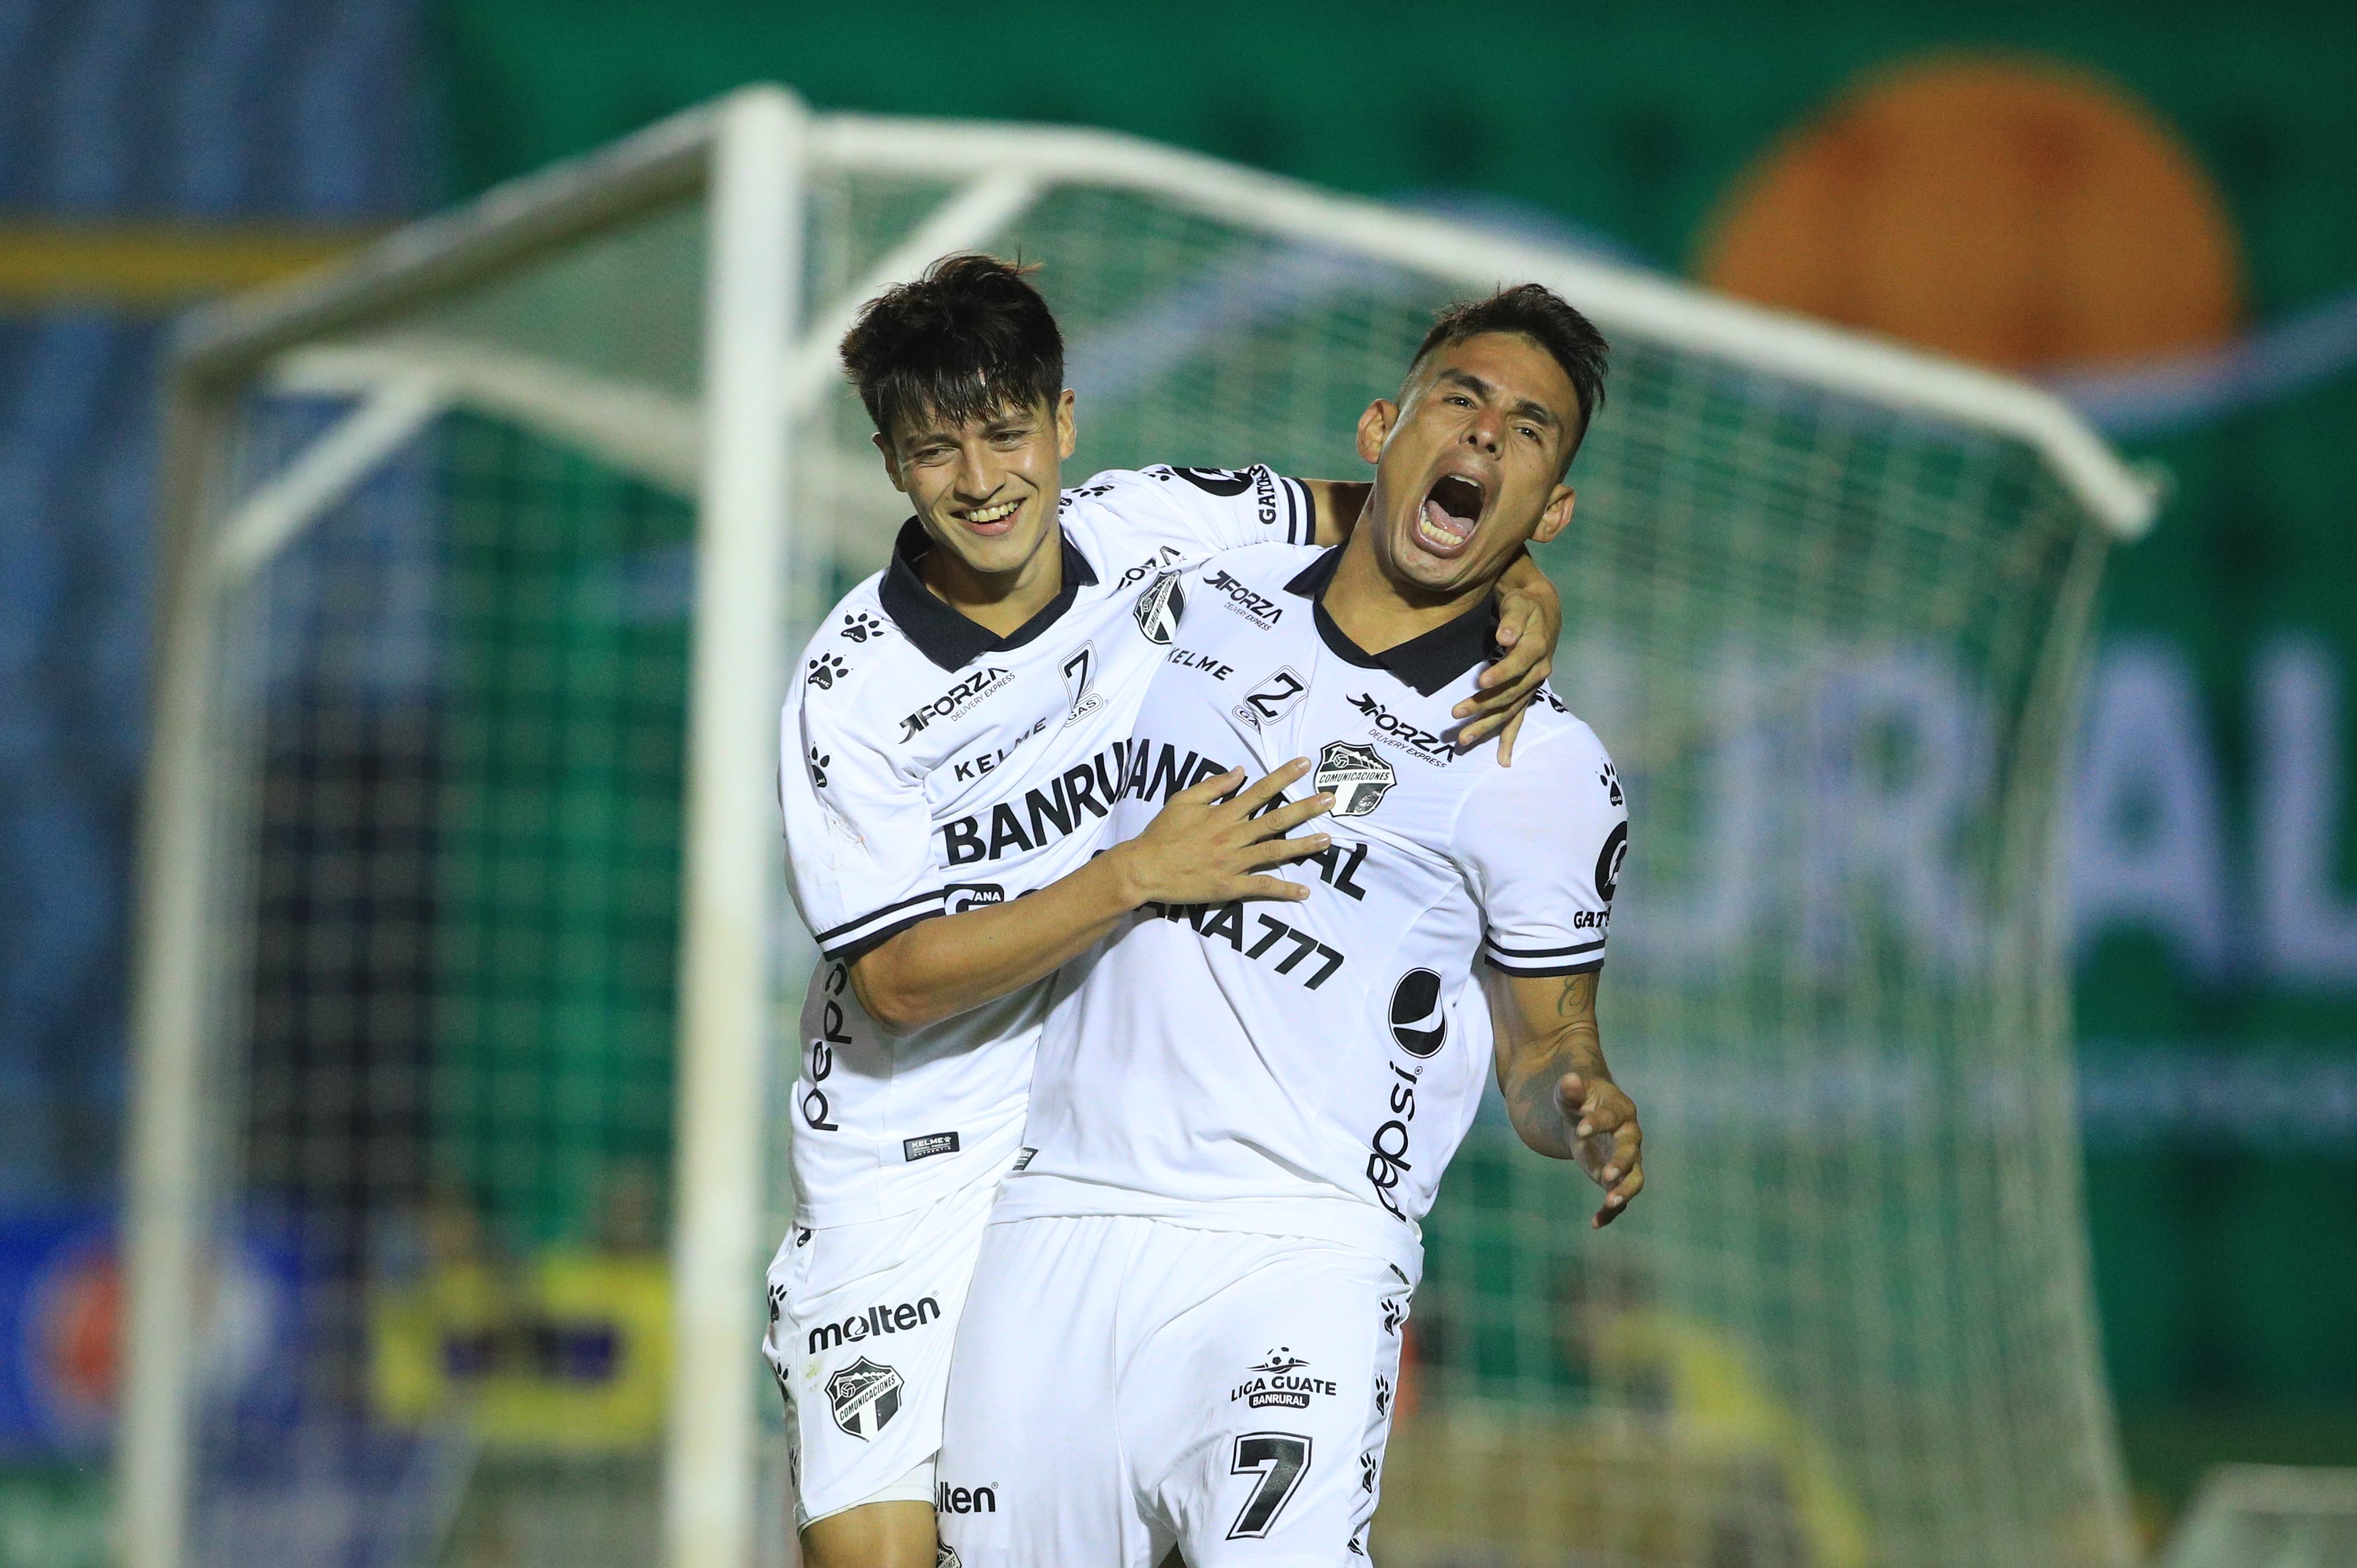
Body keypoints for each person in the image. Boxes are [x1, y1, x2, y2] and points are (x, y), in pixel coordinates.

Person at [767, 254, 1568, 1568]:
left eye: (1008, 433)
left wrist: (1520, 579)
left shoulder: (1159, 523)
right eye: (933, 452)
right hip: (902, 1167)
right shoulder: (851, 692)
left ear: (1064, 423)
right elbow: (900, 981)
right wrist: (1132, 871)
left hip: (1097, 1154)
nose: (981, 483)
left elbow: (1393, 513)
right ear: (891, 463)